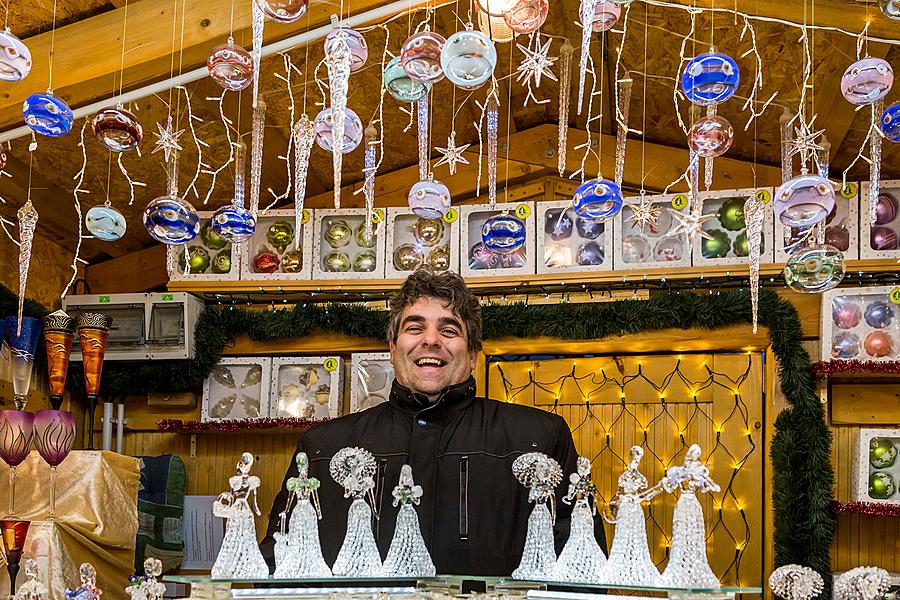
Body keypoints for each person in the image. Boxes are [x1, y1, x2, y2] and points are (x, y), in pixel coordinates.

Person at [260, 267, 606, 575]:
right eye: (415, 327)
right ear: (393, 350)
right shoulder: (324, 446)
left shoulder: (540, 437)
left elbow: (583, 564)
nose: (430, 340)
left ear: (472, 355)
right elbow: (278, 563)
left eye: (449, 330)